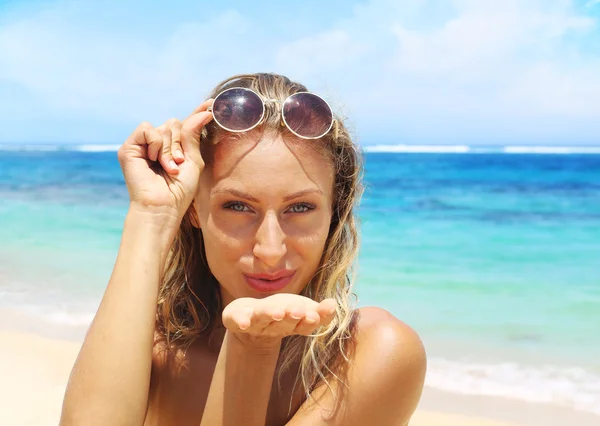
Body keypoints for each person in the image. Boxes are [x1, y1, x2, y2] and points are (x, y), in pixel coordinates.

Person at [60, 73, 427, 426]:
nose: (269, 249)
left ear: (335, 210)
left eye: (300, 208)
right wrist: (152, 214)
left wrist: (253, 348)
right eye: (237, 206)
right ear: (193, 209)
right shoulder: (152, 343)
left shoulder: (369, 354)